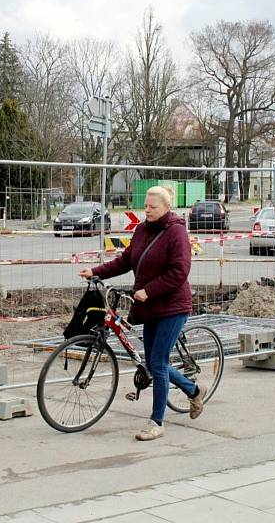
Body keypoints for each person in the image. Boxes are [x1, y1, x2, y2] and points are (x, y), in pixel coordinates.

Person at [79, 186, 207, 441]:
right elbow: (126, 260)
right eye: (146, 206)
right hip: (149, 307)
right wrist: (96, 271)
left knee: (157, 363)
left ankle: (156, 422)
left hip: (172, 306)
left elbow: (179, 271)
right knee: (154, 362)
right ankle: (193, 391)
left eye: (153, 207)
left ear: (166, 208)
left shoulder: (177, 233)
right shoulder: (142, 230)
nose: (147, 210)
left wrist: (149, 290)